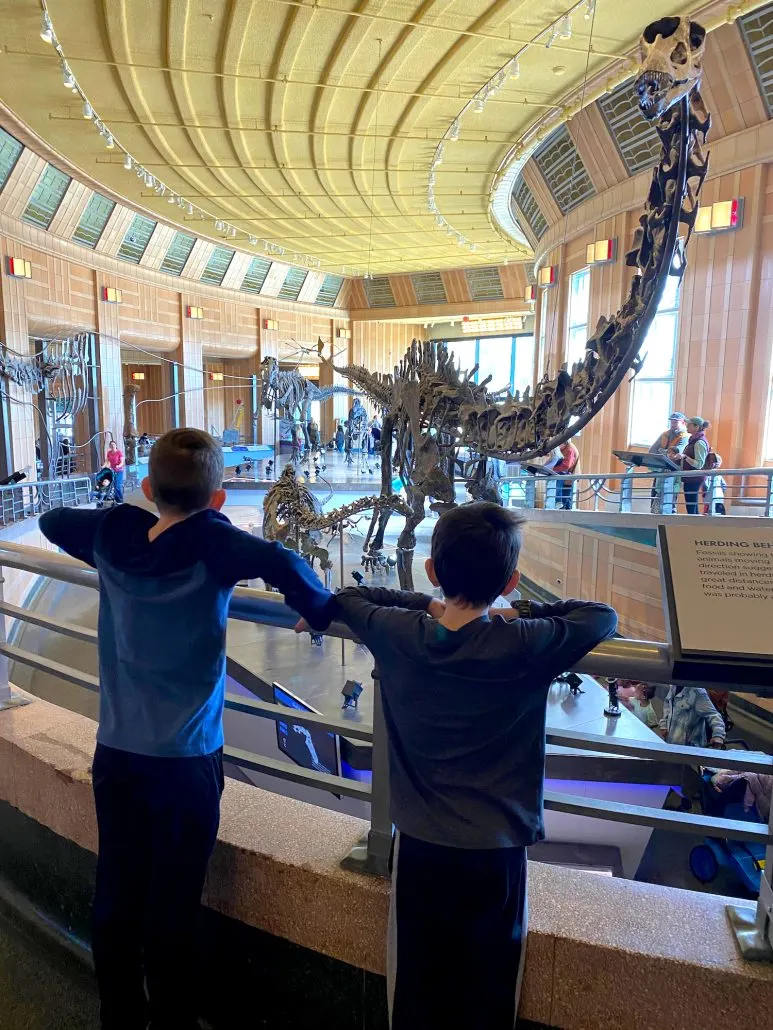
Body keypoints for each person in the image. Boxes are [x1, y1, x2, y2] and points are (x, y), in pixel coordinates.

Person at [39, 428, 334, 1030]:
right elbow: (285, 562)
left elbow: (50, 520)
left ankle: (121, 1018)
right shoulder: (215, 545)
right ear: (219, 499)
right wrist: (320, 610)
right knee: (174, 905)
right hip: (188, 762)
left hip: (118, 755)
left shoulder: (113, 533)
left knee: (117, 892)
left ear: (148, 488)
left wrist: (121, 517)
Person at [298, 503, 617, 1030]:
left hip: (421, 847)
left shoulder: (398, 634)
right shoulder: (524, 645)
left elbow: (350, 597)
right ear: (511, 579)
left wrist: (427, 604)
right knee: (488, 997)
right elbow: (600, 617)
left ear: (431, 569)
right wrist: (522, 612)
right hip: (498, 855)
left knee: (418, 994)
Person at [659, 686, 726, 748]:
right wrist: (664, 724)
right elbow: (667, 705)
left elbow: (713, 715)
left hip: (690, 749)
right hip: (670, 744)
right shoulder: (674, 687)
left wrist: (718, 735)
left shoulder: (697, 692)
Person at [649, 412, 689, 513]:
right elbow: (652, 450)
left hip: (673, 472)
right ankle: (653, 516)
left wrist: (662, 452)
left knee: (670, 497)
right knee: (655, 495)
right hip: (660, 470)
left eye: (676, 422)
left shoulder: (686, 437)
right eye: (672, 422)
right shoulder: (665, 434)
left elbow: (677, 453)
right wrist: (666, 453)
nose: (673, 424)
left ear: (683, 423)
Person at [671, 417, 710, 515]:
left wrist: (684, 457)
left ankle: (694, 525)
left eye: (689, 424)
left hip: (694, 478)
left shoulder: (699, 442)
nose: (687, 426)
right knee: (692, 505)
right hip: (690, 477)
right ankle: (694, 525)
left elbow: (699, 464)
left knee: (691, 506)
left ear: (696, 427)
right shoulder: (694, 440)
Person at [545, 440, 579, 509]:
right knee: (567, 500)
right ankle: (564, 509)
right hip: (567, 477)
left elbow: (566, 465)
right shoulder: (564, 448)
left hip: (567, 476)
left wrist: (553, 469)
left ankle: (559, 503)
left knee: (565, 499)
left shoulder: (569, 449)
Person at [105, 440, 125, 504]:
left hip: (119, 471)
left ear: (116, 445)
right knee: (113, 486)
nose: (113, 446)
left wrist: (118, 466)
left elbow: (122, 462)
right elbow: (107, 461)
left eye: (114, 444)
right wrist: (104, 466)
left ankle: (121, 500)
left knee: (117, 486)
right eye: (111, 445)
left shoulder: (119, 452)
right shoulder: (109, 453)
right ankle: (117, 500)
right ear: (110, 446)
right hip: (112, 470)